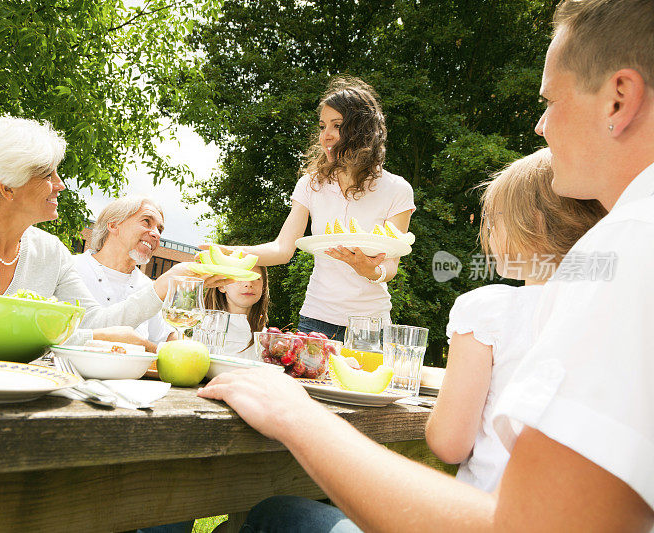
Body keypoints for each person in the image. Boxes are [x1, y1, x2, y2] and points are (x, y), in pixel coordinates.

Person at [197, 0, 654, 530]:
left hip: (366, 325)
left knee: (270, 516)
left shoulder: (628, 248)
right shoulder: (624, 245)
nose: (539, 126)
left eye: (550, 100)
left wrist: (296, 415)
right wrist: (227, 254)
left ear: (618, 101)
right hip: (320, 314)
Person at [0, 116, 229, 346]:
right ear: (8, 186)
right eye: (47, 174)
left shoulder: (51, 251)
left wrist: (165, 285)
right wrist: (91, 338)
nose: (60, 184)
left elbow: (94, 320)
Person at [425, 148, 606, 491]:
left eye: (493, 222)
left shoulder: (486, 311)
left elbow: (448, 444)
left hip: (488, 513)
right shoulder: (611, 310)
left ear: (533, 224)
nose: (488, 235)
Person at [205, 77, 415, 340]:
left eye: (337, 126)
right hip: (316, 319)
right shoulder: (311, 184)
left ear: (362, 131)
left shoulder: (398, 190)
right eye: (323, 125)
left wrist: (370, 270)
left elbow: (390, 266)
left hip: (370, 326)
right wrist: (231, 253)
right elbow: (282, 249)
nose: (325, 134)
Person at [73, 196, 177, 352]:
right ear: (114, 225)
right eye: (147, 222)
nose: (156, 234)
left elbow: (168, 339)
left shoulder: (149, 287)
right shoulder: (70, 268)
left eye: (160, 229)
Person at [203, 265, 269, 360]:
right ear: (221, 285)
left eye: (256, 277)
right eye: (240, 276)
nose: (248, 283)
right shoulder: (204, 327)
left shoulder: (267, 338)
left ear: (263, 286)